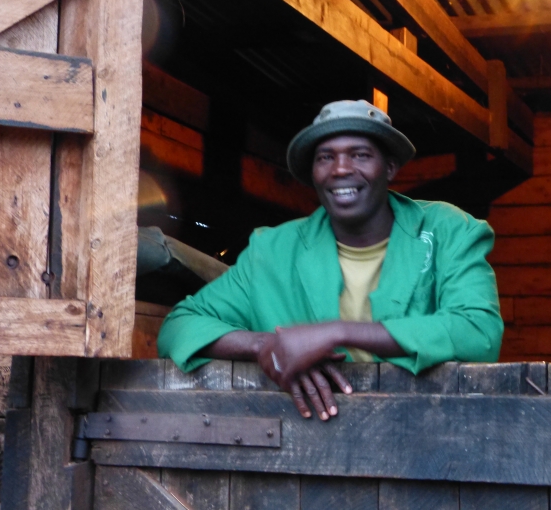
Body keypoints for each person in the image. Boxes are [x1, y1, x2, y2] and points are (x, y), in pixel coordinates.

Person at [157, 100, 503, 420]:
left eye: (360, 155)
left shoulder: (447, 230)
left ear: (390, 167)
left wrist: (333, 333)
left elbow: (479, 332)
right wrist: (268, 346)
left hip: (431, 429)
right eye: (325, 158)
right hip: (310, 441)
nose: (340, 169)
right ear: (313, 173)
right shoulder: (273, 250)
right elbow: (179, 327)